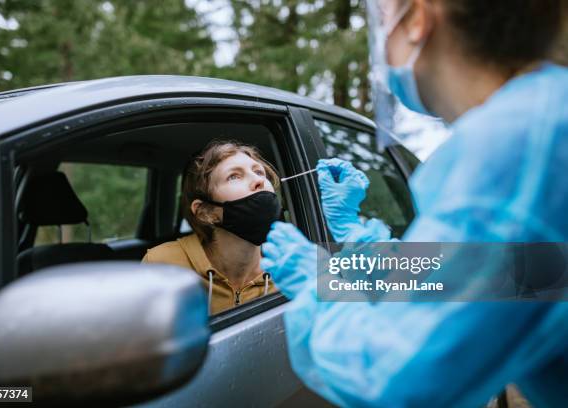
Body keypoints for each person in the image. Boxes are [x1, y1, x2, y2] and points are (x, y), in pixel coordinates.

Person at [260, 0, 568, 407]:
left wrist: (319, 285)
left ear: (418, 18)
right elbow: (495, 275)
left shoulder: (519, 147)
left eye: (383, 18)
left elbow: (397, 378)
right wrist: (353, 234)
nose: (380, 39)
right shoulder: (544, 117)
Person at [143, 141, 280, 314]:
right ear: (205, 212)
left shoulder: (294, 262)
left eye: (259, 171)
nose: (259, 180)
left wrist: (324, 258)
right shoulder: (161, 264)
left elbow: (326, 317)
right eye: (234, 176)